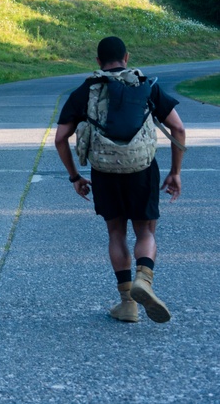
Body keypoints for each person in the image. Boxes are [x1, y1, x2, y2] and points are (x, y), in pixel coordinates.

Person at [54, 36, 185, 324]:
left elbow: (60, 138)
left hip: (104, 173)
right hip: (142, 170)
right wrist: (175, 172)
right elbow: (178, 128)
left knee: (116, 234)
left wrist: (75, 176)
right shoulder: (146, 85)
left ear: (98, 62)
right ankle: (144, 279)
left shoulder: (85, 90)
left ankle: (127, 304)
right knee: (146, 233)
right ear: (126, 57)